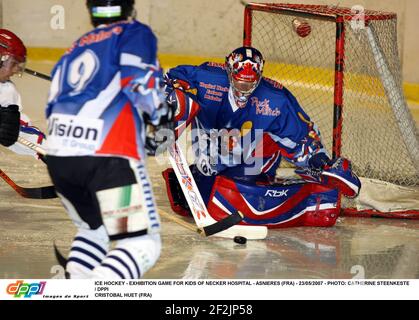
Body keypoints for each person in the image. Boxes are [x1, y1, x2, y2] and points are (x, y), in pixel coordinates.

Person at [163, 46, 361, 228]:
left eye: (250, 84)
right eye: (240, 82)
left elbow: (301, 137)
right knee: (178, 104)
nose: (244, 89)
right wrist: (171, 93)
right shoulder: (207, 78)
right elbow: (172, 77)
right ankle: (209, 180)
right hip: (211, 154)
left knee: (234, 190)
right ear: (229, 71)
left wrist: (321, 162)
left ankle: (293, 190)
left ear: (259, 77)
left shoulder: (275, 99)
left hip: (253, 161)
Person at [45, 0, 173, 279]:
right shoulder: (132, 32)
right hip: (107, 160)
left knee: (93, 230)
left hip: (59, 159)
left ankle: (75, 286)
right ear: (129, 9)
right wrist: (162, 115)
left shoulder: (74, 48)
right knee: (140, 243)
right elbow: (139, 81)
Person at [0, 29, 45, 155]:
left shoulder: (6, 91)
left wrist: (47, 151)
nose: (15, 70)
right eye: (13, 63)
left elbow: (18, 130)